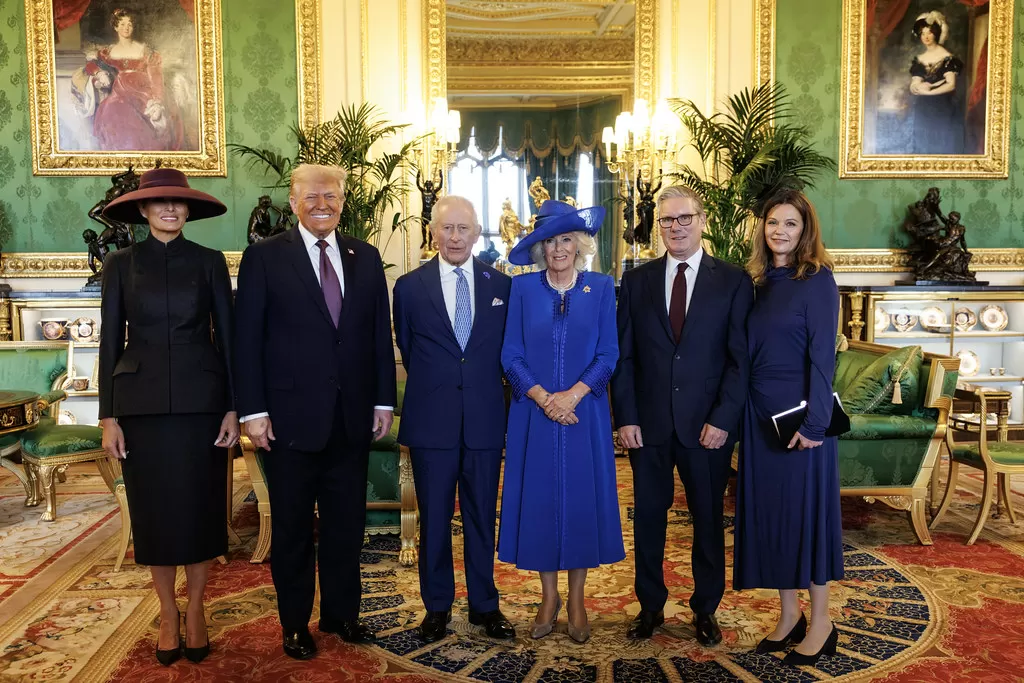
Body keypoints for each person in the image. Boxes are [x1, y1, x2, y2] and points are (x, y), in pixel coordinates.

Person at [233, 163, 397, 660]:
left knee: (348, 525)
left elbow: (377, 335)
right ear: (293, 201)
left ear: (343, 201)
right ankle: (295, 623)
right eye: (311, 196)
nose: (321, 204)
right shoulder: (264, 257)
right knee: (292, 530)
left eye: (331, 196)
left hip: (351, 417)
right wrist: (253, 411)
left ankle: (342, 614)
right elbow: (247, 341)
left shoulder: (365, 256)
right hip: (288, 421)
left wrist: (383, 400)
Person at [98, 167, 237, 667]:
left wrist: (233, 406)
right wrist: (108, 417)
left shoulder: (209, 262)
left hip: (203, 403)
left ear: (188, 209)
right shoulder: (119, 264)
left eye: (178, 202)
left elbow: (229, 337)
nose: (170, 209)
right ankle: (167, 612)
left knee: (200, 510)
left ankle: (196, 608)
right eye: (160, 202)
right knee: (155, 515)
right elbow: (110, 341)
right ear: (143, 209)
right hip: (140, 405)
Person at [611, 185, 753, 645]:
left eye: (684, 218)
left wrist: (723, 419)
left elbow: (739, 360)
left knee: (708, 521)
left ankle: (705, 609)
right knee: (648, 520)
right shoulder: (637, 281)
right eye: (667, 220)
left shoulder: (732, 281)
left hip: (707, 427)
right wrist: (626, 417)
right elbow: (624, 357)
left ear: (702, 220)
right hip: (648, 426)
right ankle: (650, 606)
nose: (675, 227)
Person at [499, 200, 624, 644]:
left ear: (580, 244)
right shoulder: (522, 289)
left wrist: (571, 395)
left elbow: (609, 353)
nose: (558, 249)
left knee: (580, 501)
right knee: (539, 502)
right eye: (549, 241)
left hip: (583, 412)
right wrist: (543, 398)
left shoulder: (601, 287)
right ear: (540, 248)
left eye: (566, 239)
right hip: (533, 415)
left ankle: (577, 600)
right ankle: (548, 597)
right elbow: (510, 354)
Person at [393, 195, 514, 643]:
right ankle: (437, 607)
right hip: (432, 423)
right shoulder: (408, 288)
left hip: (484, 421)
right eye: (447, 228)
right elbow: (409, 349)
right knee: (434, 519)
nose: (456, 237)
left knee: (482, 517)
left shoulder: (502, 286)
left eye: (464, 228)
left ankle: (485, 605)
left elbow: (504, 353)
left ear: (477, 233)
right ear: (433, 232)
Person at [733, 189, 843, 666]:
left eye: (790, 223)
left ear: (805, 231)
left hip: (802, 420)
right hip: (760, 419)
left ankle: (822, 622)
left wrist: (816, 424)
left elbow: (822, 359)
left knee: (805, 519)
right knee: (774, 518)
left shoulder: (817, 280)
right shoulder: (758, 281)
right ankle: (789, 615)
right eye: (773, 222)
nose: (779, 231)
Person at [74, 8, 186, 151]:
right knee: (111, 109)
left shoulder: (146, 51)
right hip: (119, 93)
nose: (126, 28)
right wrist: (99, 73)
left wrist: (157, 102)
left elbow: (156, 78)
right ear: (115, 27)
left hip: (144, 93)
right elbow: (90, 65)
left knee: (144, 122)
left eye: (130, 24)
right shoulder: (108, 52)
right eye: (122, 24)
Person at [908, 12, 964, 155]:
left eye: (929, 33)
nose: (926, 37)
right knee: (923, 144)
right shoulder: (920, 58)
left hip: (943, 107)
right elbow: (915, 81)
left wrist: (929, 91)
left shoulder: (947, 58)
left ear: (937, 34)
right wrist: (915, 87)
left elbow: (951, 84)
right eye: (922, 33)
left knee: (941, 143)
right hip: (923, 108)